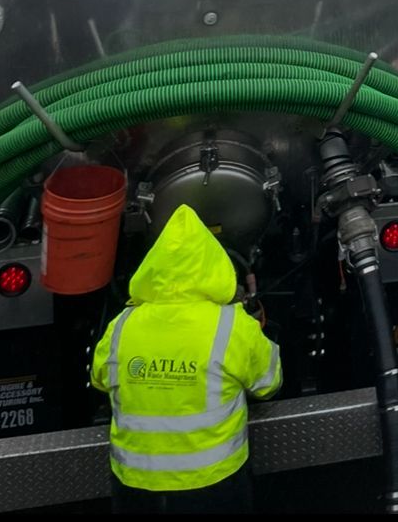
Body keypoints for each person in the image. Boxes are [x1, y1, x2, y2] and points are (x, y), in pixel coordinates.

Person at [91, 203, 282, 514]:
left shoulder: (122, 326)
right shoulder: (233, 327)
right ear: (214, 266)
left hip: (135, 489)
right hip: (215, 487)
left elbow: (99, 379)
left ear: (153, 267)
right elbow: (268, 383)